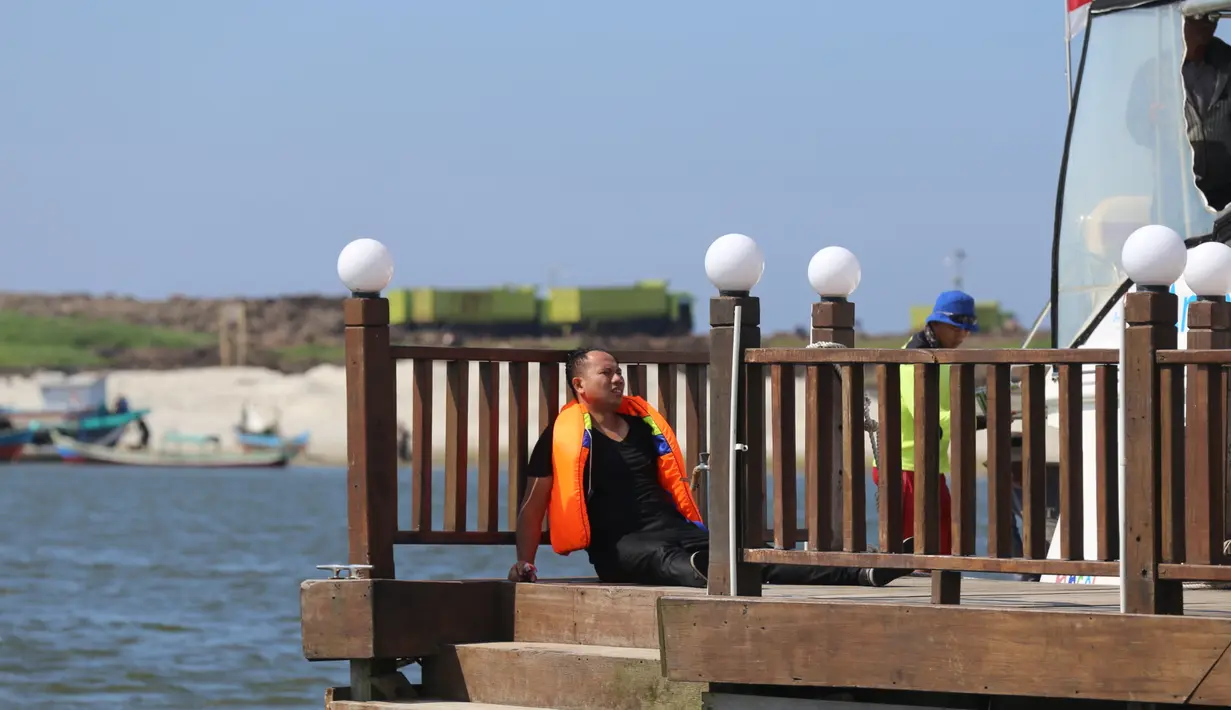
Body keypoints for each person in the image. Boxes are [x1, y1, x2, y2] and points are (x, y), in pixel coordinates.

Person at [507, 347, 914, 588]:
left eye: (619, 372)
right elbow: (534, 505)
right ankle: (712, 575)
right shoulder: (562, 436)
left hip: (677, 530)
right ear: (580, 386)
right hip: (622, 546)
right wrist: (525, 563)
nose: (617, 379)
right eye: (606, 373)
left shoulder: (641, 426)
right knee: (664, 559)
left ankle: (862, 573)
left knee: (754, 553)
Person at [873, 290, 986, 556]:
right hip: (902, 465)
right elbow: (924, 413)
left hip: (929, 463)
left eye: (967, 330)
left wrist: (980, 418)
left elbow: (945, 411)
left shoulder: (940, 355)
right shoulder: (914, 357)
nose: (962, 336)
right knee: (915, 550)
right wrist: (976, 418)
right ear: (936, 323)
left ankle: (934, 592)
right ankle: (915, 596)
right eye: (957, 328)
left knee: (940, 544)